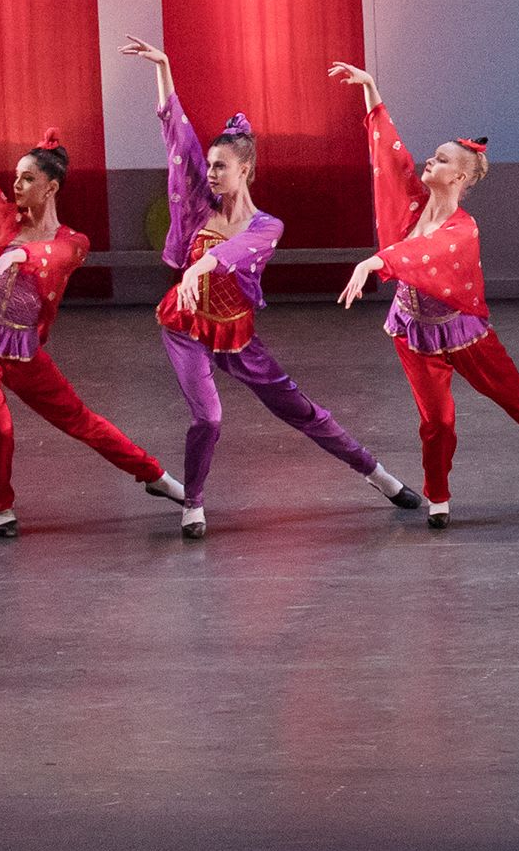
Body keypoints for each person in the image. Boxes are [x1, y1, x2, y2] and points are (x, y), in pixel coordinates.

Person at [121, 37, 421, 538]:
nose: (211, 173)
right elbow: (177, 138)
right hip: (185, 328)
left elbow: (233, 253)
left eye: (221, 166)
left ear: (245, 170)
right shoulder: (197, 207)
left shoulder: (267, 226)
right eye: (209, 165)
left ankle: (379, 475)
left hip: (237, 335)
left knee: (301, 410)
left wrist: (198, 268)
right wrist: (164, 69)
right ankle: (193, 501)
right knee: (209, 419)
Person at [330, 61, 519, 528]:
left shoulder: (463, 229)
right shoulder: (413, 204)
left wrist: (377, 262)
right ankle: (438, 497)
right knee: (437, 422)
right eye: (433, 156)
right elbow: (388, 156)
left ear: (460, 178)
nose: (430, 162)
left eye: (442, 160)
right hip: (414, 332)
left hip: (465, 334)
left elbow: (426, 253)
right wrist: (371, 90)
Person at [0, 83, 184, 537]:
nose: (17, 184)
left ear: (51, 187)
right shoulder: (2, 220)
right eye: (17, 176)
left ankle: (155, 475)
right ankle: (0, 505)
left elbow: (56, 256)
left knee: (81, 419)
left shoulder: (74, 241)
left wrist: (20, 255)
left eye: (28, 178)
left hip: (20, 348)